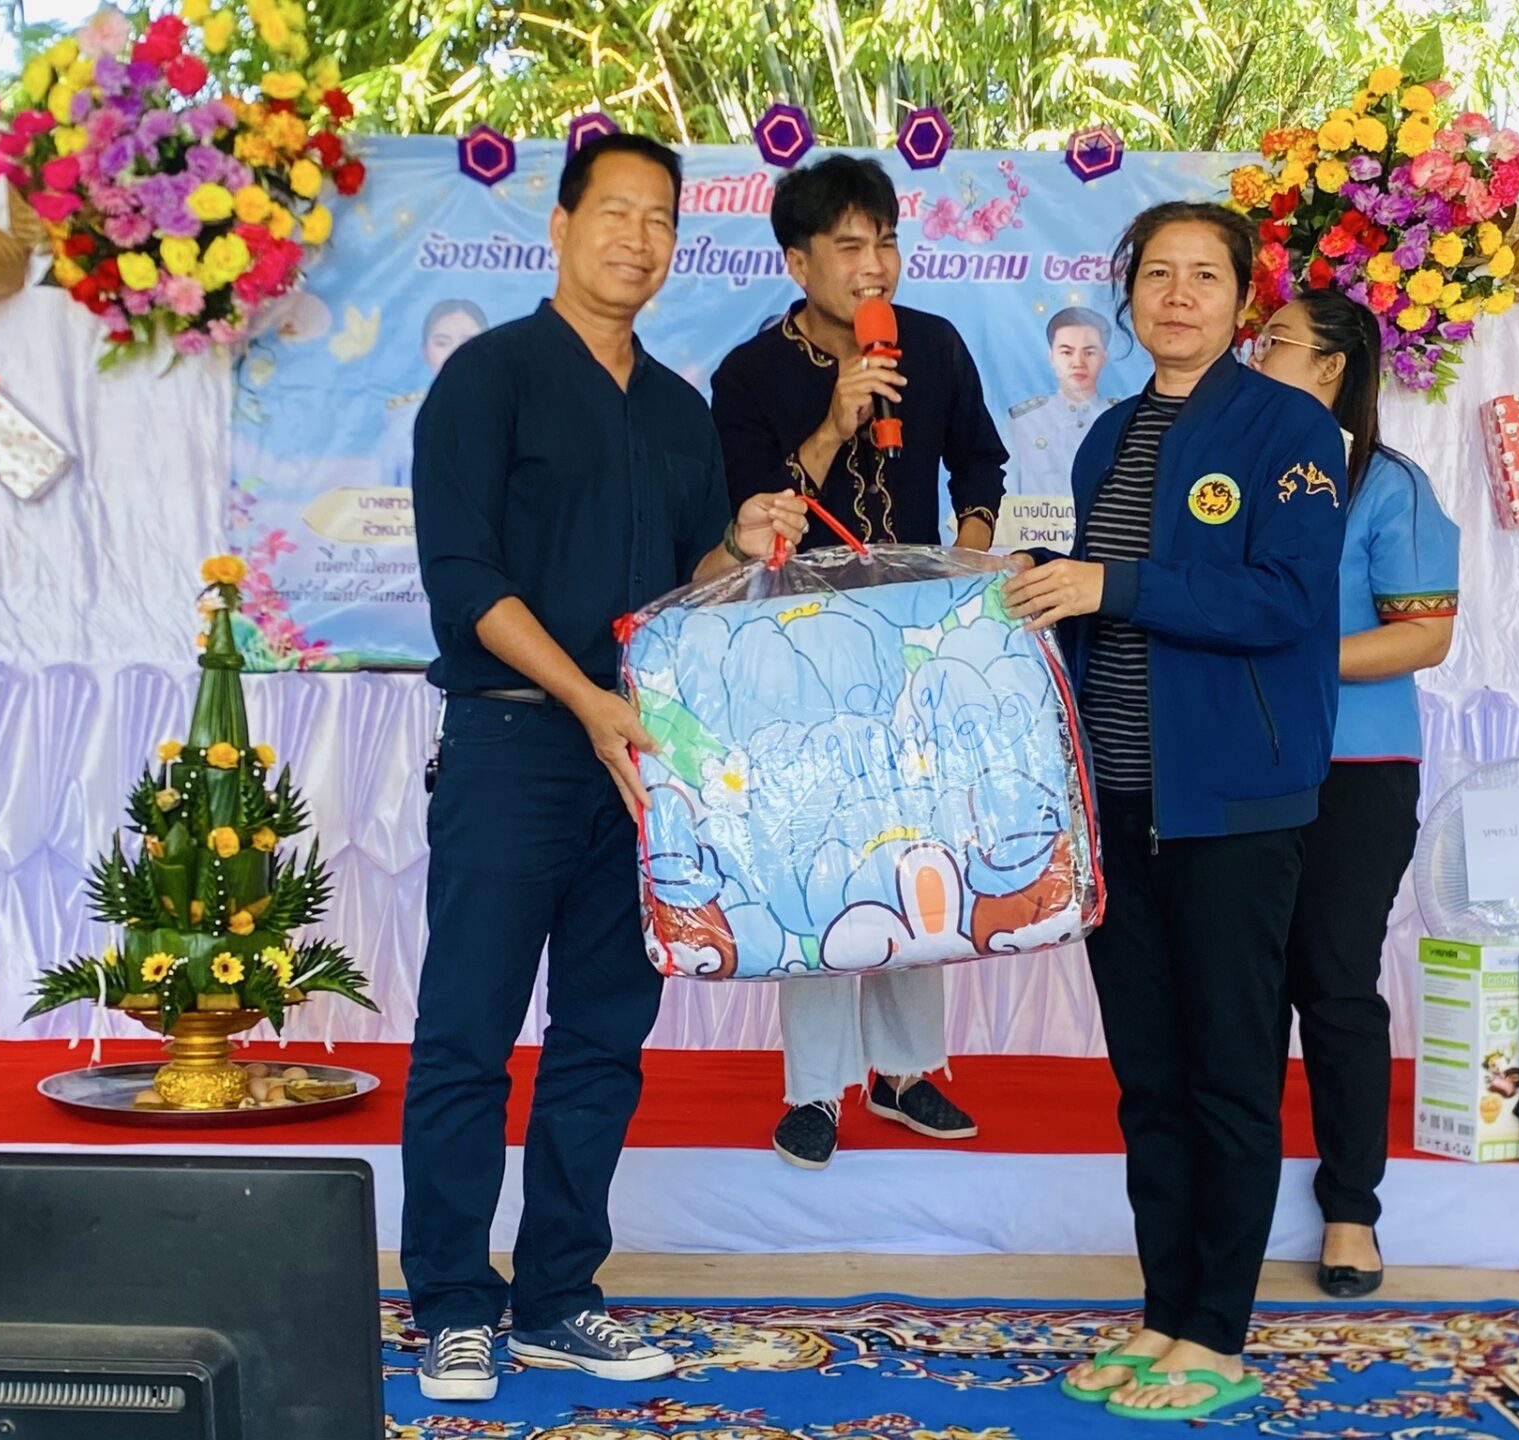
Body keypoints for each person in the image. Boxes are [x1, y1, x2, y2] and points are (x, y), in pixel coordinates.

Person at [404, 132, 808, 1404]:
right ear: (562, 226)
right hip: (517, 743)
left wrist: (739, 543)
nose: (638, 239)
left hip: (638, 762)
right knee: (467, 1033)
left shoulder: (679, 410)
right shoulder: (488, 379)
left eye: (660, 220)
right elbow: (463, 579)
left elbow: (687, 586)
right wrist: (583, 700)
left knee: (602, 1036)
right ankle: (451, 1302)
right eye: (615, 212)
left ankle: (557, 1295)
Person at [1002, 202, 1349, 1421]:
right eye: (1159, 274)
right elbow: (1104, 603)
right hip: (1118, 803)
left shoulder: (1288, 426)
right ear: (1129, 293)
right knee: (1148, 1077)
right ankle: (1162, 1315)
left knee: (1228, 1076)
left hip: (1235, 806)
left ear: (1242, 299)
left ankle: (1218, 1333)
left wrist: (1113, 584)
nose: (1180, 295)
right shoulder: (1108, 434)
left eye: (1206, 275)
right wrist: (1040, 592)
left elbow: (1285, 600)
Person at [707, 153, 1008, 1170]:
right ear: (798, 263)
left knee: (920, 847)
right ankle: (814, 1090)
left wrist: (967, 554)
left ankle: (907, 1070)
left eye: (884, 241)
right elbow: (750, 513)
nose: (874, 264)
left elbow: (980, 460)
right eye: (848, 246)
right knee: (821, 856)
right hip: (795, 644)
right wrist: (836, 421)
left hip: (916, 639)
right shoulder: (749, 376)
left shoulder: (933, 343)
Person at [1249, 290, 1459, 1298]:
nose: (1256, 356)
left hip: (1356, 773)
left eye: (1275, 343)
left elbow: (1423, 635)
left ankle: (1350, 1211)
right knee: (1238, 990)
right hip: (1238, 766)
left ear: (1331, 368)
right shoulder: (1227, 473)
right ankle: (1231, 1202)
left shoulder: (1388, 485)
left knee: (1333, 983)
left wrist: (1289, 660)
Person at [1006, 306, 1117, 501]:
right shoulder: (1024, 422)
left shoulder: (1122, 418)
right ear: (1051, 357)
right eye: (1067, 352)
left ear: (1104, 357)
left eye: (1089, 353)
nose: (1078, 362)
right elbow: (1007, 497)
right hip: (1036, 522)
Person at [381, 299, 490, 489]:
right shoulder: (401, 423)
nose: (455, 352)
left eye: (468, 342)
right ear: (425, 352)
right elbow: (384, 493)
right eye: (442, 343)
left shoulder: (509, 414)